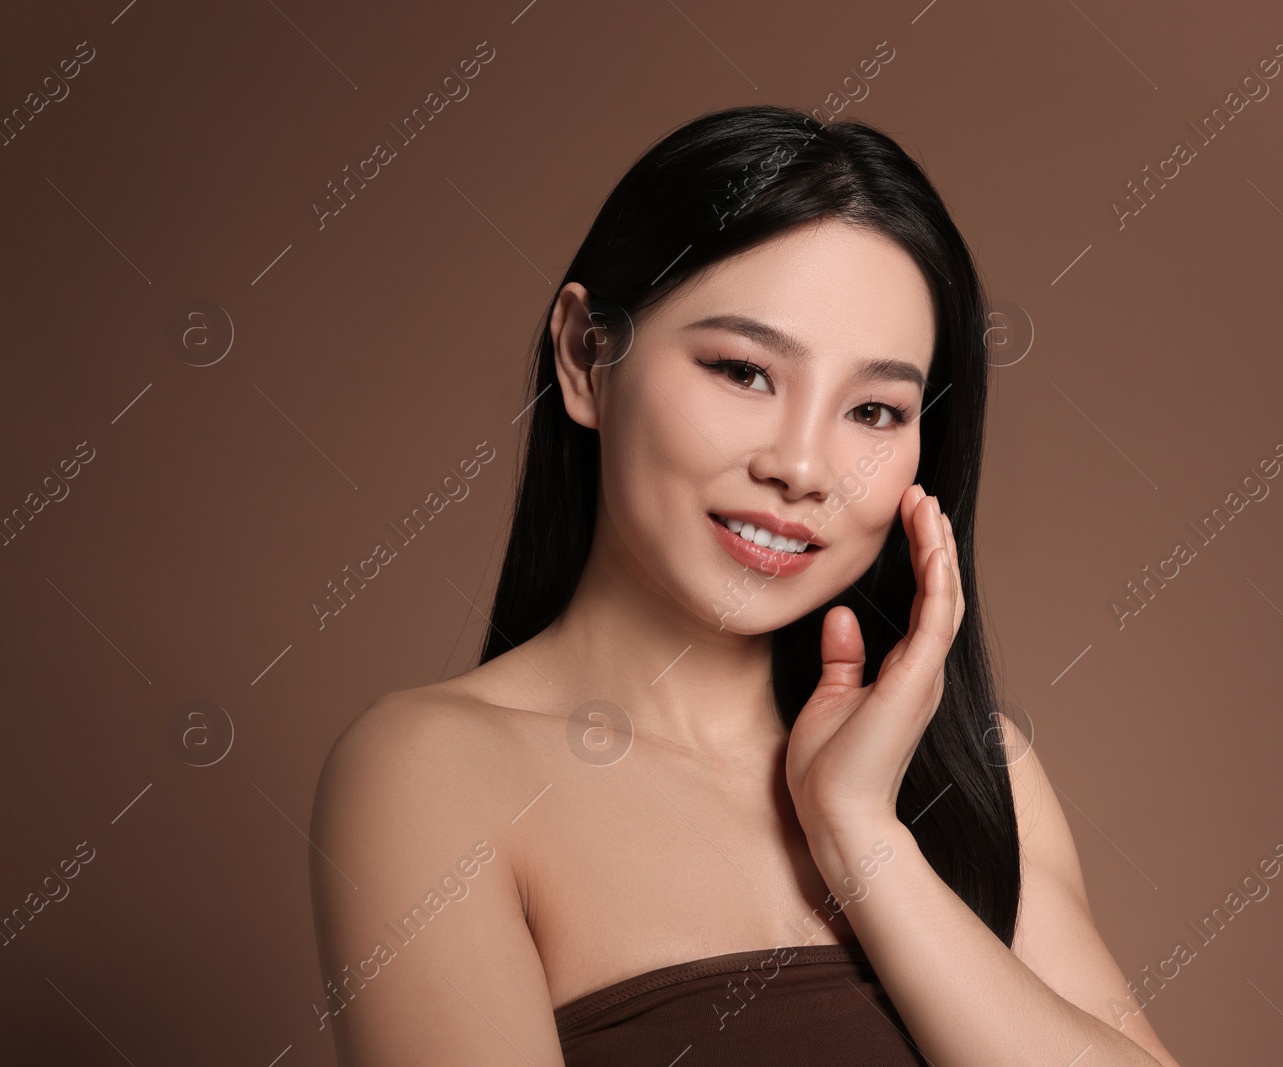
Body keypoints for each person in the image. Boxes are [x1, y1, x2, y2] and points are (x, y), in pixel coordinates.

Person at [309, 104, 1182, 1066]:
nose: (805, 467)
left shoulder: (974, 766)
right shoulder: (435, 772)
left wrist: (862, 840)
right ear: (586, 355)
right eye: (744, 371)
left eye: (874, 408)